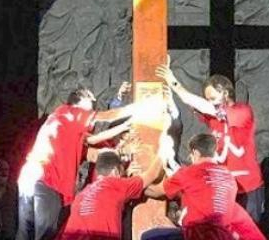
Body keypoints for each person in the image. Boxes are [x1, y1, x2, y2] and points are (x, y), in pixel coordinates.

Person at [16, 86, 138, 240]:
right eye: (92, 102)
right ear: (81, 100)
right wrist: (138, 109)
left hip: (29, 176)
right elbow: (106, 117)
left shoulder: (63, 124)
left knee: (25, 233)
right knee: (46, 234)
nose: (94, 106)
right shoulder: (70, 112)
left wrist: (124, 129)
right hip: (47, 178)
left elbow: (92, 142)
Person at [156, 58, 265, 221]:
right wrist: (170, 94)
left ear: (226, 93)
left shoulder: (242, 111)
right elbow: (193, 105)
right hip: (226, 188)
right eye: (207, 99)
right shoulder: (213, 120)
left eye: (213, 98)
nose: (210, 103)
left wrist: (175, 83)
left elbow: (204, 107)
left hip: (248, 186)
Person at [145, 134, 237, 240]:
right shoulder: (229, 176)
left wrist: (134, 184)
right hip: (224, 236)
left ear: (196, 153)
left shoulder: (189, 172)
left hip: (197, 235)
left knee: (148, 236)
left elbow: (155, 191)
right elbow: (204, 194)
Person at [59, 151, 162, 239]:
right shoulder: (114, 184)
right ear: (116, 171)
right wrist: (165, 147)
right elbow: (153, 174)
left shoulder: (82, 194)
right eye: (122, 174)